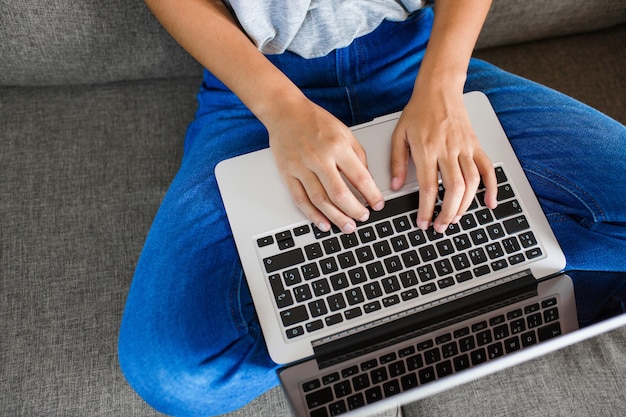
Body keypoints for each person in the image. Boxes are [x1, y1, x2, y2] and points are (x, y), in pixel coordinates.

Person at [118, 0, 626, 415]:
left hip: (418, 62)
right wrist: (281, 110)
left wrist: (444, 87)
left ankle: (455, 276)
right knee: (173, 375)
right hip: (252, 92)